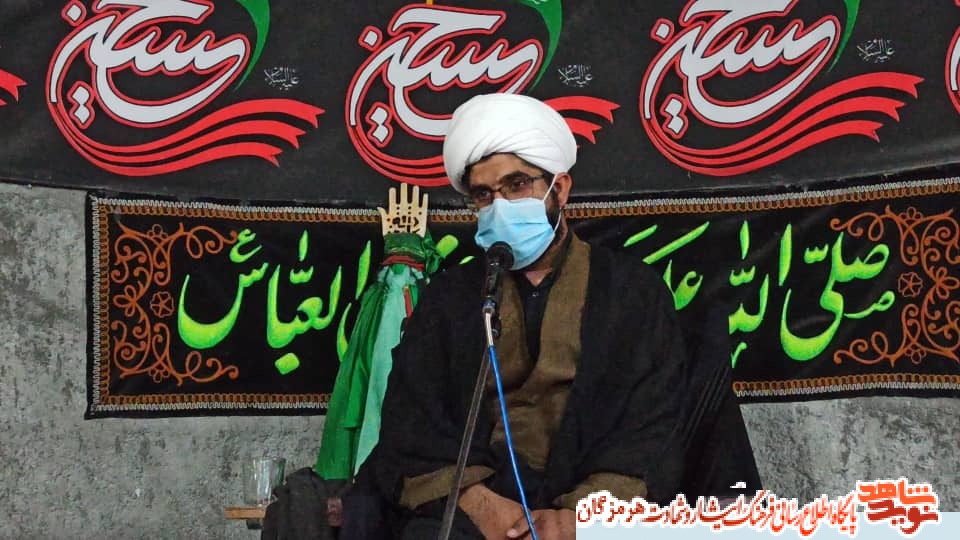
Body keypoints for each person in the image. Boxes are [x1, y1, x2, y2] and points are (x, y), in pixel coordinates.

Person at [362, 93, 759, 540]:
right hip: (480, 505)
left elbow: (650, 424)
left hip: (598, 500)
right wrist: (482, 506)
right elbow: (413, 423)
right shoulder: (449, 300)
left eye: (517, 185)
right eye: (484, 195)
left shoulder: (631, 292)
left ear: (560, 189)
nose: (501, 207)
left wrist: (582, 518)